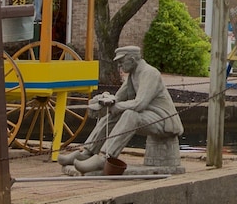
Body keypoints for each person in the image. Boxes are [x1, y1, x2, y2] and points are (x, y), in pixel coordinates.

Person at [59, 45, 184, 173]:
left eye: (121, 62)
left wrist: (117, 106)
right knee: (114, 114)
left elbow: (140, 104)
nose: (120, 66)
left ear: (133, 60)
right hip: (148, 116)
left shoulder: (149, 73)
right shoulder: (133, 75)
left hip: (163, 120)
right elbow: (118, 98)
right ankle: (87, 152)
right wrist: (104, 100)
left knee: (130, 115)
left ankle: (105, 158)